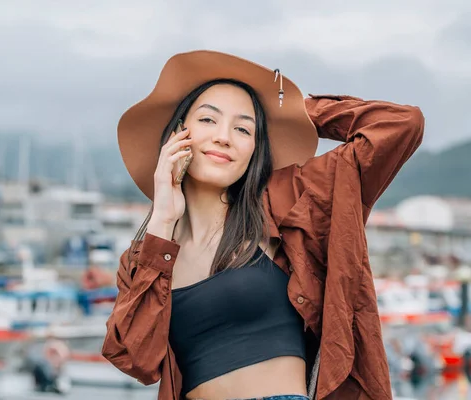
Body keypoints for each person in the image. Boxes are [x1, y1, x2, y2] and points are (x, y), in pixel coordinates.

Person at [102, 50, 424, 400]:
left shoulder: (285, 202)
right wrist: (163, 219)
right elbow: (135, 360)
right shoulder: (144, 255)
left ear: (257, 147)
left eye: (243, 128)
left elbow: (400, 125)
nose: (224, 137)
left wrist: (294, 110)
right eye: (208, 120)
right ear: (179, 134)